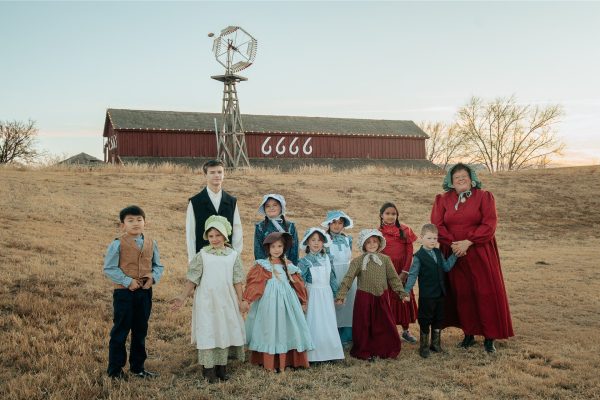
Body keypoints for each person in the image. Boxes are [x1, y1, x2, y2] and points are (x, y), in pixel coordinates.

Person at [431, 163, 514, 353]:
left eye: (464, 176)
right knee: (463, 294)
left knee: (486, 293)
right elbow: (437, 224)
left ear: (472, 178)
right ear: (450, 181)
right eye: (456, 177)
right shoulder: (443, 199)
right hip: (454, 254)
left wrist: (468, 242)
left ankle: (489, 337)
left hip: (479, 252)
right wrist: (454, 244)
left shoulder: (484, 197)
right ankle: (468, 334)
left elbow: (489, 224)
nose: (460, 179)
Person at [170, 216, 246, 383]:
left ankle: (222, 367)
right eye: (211, 236)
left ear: (225, 236)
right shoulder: (203, 255)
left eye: (218, 235)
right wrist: (182, 297)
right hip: (207, 300)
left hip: (227, 299)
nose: (214, 239)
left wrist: (241, 300)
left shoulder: (233, 255)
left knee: (224, 330)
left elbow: (237, 280)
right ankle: (208, 369)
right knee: (208, 330)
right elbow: (193, 279)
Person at [103, 205, 164, 379]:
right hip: (124, 294)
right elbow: (109, 268)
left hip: (144, 293)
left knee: (140, 330)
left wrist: (153, 277)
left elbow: (158, 266)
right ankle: (115, 371)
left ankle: (138, 368)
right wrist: (127, 281)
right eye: (130, 220)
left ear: (145, 222)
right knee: (120, 331)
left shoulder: (152, 243)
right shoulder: (117, 243)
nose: (135, 223)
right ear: (122, 224)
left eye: (139, 220)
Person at [242, 232, 313, 372]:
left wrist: (303, 300)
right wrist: (248, 299)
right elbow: (255, 284)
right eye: (273, 246)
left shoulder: (288, 265)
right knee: (270, 328)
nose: (276, 249)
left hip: (288, 302)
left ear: (284, 247)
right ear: (268, 248)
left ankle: (289, 359)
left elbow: (298, 283)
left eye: (280, 246)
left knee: (287, 327)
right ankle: (269, 361)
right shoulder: (263, 265)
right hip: (269, 302)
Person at [335, 229, 409, 360]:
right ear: (363, 245)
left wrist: (401, 293)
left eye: (375, 241)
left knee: (384, 322)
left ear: (379, 243)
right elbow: (348, 278)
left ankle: (384, 348)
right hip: (364, 297)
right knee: (364, 324)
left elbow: (393, 278)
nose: (372, 244)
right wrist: (341, 295)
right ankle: (364, 349)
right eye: (368, 242)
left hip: (381, 296)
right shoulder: (358, 261)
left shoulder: (385, 259)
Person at [404, 224, 458, 358]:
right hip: (427, 295)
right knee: (425, 319)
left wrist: (455, 256)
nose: (433, 241)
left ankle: (436, 344)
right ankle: (424, 347)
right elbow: (413, 275)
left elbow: (446, 267)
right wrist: (406, 291)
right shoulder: (418, 257)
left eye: (435, 238)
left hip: (440, 294)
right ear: (421, 238)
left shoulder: (438, 253)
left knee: (438, 318)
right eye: (429, 238)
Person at [297, 227, 344, 363]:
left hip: (326, 294)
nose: (316, 243)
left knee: (328, 322)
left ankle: (331, 353)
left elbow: (332, 278)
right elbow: (301, 283)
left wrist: (338, 295)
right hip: (313, 295)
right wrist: (303, 300)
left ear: (324, 242)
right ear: (307, 243)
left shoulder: (328, 258)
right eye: (313, 240)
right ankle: (314, 355)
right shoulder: (304, 262)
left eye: (319, 240)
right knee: (314, 322)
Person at [186, 159, 243, 263]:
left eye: (220, 172)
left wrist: (236, 256)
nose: (217, 175)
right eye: (212, 172)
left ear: (224, 174)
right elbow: (190, 234)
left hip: (227, 257)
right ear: (205, 175)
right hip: (203, 258)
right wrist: (192, 260)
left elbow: (237, 229)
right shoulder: (195, 202)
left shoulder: (231, 201)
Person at [378, 202, 419, 344]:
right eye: (387, 213)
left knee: (402, 300)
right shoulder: (378, 233)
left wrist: (405, 272)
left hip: (402, 270)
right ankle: (389, 331)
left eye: (393, 214)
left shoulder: (405, 230)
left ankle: (406, 331)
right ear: (381, 215)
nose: (390, 216)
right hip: (386, 272)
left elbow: (409, 253)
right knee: (388, 300)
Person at [321, 210, 355, 346]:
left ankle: (346, 336)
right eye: (334, 222)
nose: (336, 226)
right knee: (333, 305)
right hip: (332, 274)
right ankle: (332, 336)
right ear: (328, 224)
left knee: (348, 306)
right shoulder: (324, 240)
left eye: (340, 223)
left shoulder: (348, 239)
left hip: (347, 276)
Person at [253, 193, 299, 264]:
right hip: (268, 266)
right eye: (268, 206)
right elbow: (258, 250)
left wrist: (292, 266)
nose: (271, 208)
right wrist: (265, 265)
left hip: (287, 266)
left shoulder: (290, 226)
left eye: (275, 205)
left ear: (281, 207)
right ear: (264, 209)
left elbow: (294, 249)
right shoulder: (260, 227)